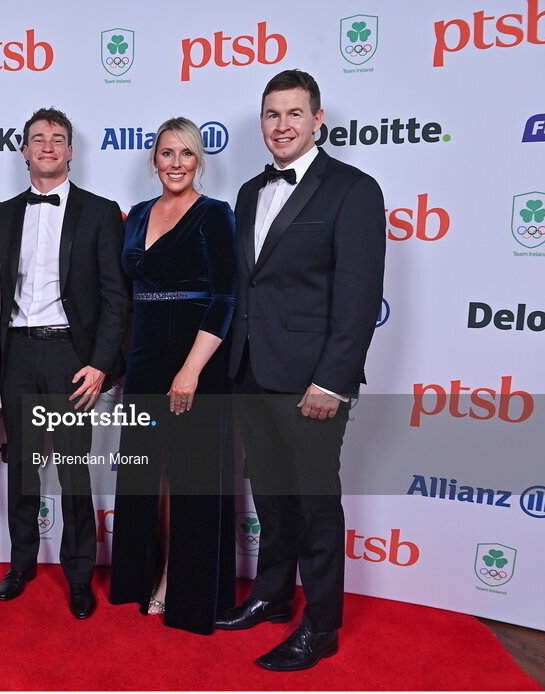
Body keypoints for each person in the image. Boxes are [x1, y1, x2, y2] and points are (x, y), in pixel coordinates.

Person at [218, 70, 386, 671]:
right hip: (251, 373)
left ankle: (321, 626)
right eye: (271, 114)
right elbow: (248, 287)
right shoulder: (246, 193)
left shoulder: (353, 189)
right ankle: (270, 595)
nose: (281, 125)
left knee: (316, 504)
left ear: (318, 120)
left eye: (293, 114)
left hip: (313, 380)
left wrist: (333, 381)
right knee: (271, 497)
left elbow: (359, 296)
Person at [0, 107, 129, 619]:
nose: (47, 146)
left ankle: (78, 574)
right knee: (23, 469)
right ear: (24, 150)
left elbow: (117, 297)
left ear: (70, 150)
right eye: (37, 139)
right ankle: (21, 564)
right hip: (18, 353)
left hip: (72, 356)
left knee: (73, 470)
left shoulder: (99, 211)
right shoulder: (4, 213)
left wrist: (99, 363)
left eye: (57, 139)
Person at [109, 117, 237, 635]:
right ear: (153, 159)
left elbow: (225, 299)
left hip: (197, 359)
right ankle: (148, 571)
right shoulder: (137, 215)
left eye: (186, 153)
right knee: (146, 474)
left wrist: (189, 371)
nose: (176, 163)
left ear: (199, 160)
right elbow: (124, 294)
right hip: (144, 358)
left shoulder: (214, 214)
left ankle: (180, 585)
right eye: (167, 153)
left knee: (191, 478)